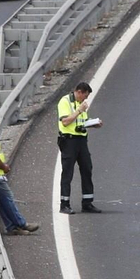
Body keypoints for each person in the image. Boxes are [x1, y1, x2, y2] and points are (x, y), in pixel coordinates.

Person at [56, 81, 102, 214]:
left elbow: (81, 123)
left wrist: (93, 124)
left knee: (87, 168)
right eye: (85, 96)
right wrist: (79, 110)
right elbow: (65, 122)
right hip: (69, 141)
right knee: (67, 173)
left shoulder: (80, 104)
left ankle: (87, 202)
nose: (86, 99)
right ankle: (64, 204)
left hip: (81, 140)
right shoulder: (65, 101)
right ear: (79, 92)